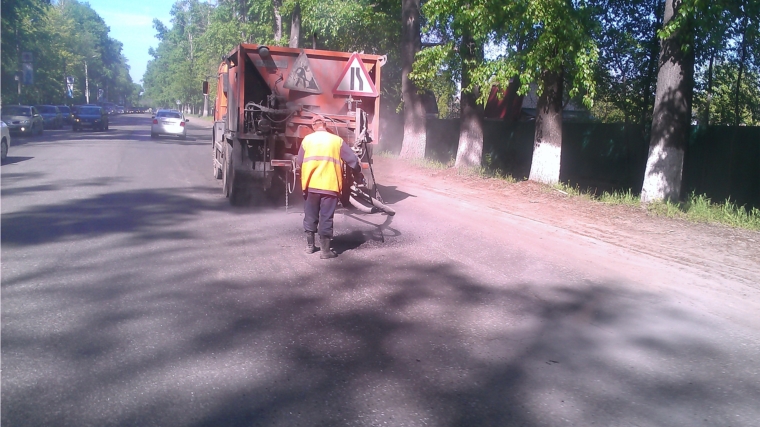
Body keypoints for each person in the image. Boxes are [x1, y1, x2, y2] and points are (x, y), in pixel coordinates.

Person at [296, 116, 362, 259]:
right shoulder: (336, 140)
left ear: (313, 126)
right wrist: (358, 171)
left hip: (311, 185)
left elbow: (300, 161)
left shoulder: (307, 140)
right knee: (326, 217)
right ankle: (325, 252)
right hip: (329, 186)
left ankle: (310, 247)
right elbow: (352, 161)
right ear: (325, 125)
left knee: (310, 215)